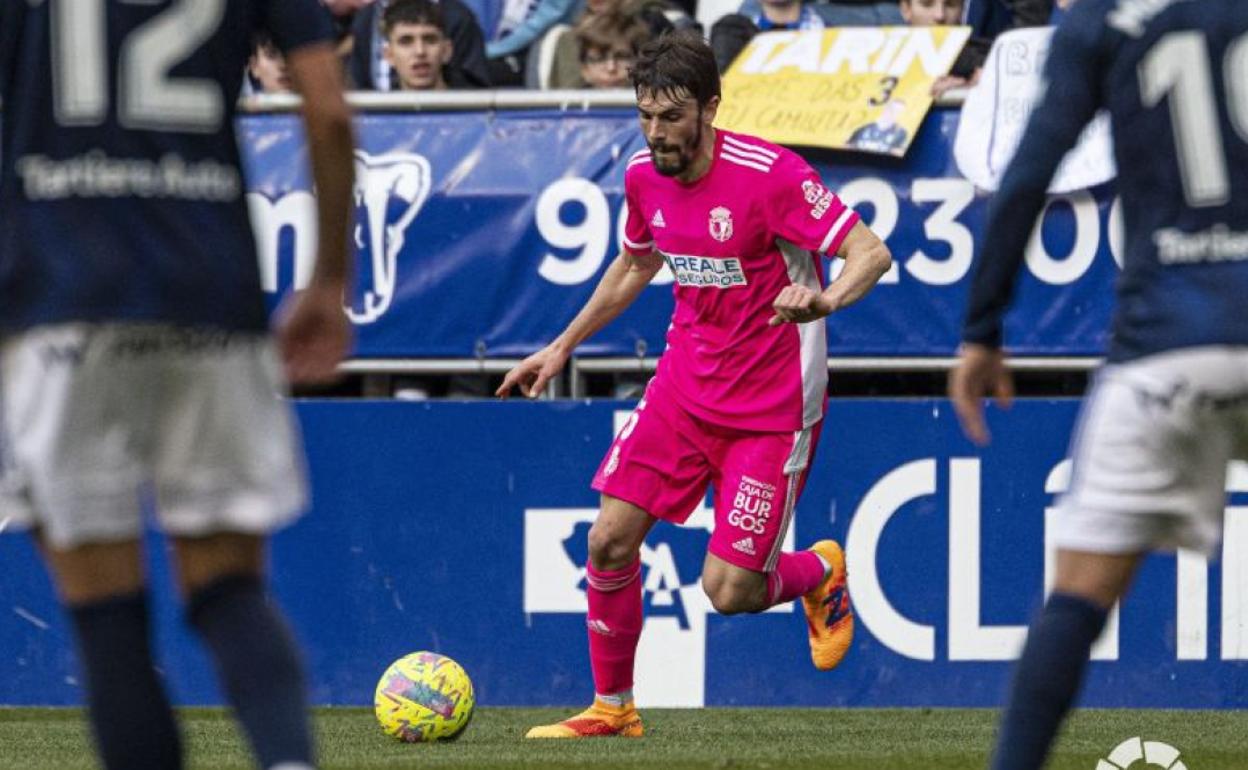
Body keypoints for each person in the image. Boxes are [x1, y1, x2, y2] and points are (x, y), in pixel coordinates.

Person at [498, 29, 892, 738]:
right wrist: (561, 346)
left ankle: (817, 572)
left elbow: (871, 252)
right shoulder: (644, 177)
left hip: (772, 408)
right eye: (645, 115)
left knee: (729, 591)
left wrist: (825, 300)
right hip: (683, 390)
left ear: (711, 107)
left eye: (672, 116)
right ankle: (613, 709)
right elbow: (634, 265)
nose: (656, 132)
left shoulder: (769, 175)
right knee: (607, 542)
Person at [0, 2, 355, 769]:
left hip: (61, 302)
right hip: (209, 296)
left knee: (107, 618)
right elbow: (327, 112)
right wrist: (328, 280)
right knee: (228, 589)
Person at [948, 3, 1248, 769]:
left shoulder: (1101, 20)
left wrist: (983, 329)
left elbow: (1027, 175)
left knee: (1077, 599)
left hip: (1164, 345)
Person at [383, 0, 469, 89]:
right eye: (406, 42)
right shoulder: (375, 103)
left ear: (446, 51)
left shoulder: (477, 102)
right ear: (389, 55)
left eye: (430, 40)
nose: (420, 51)